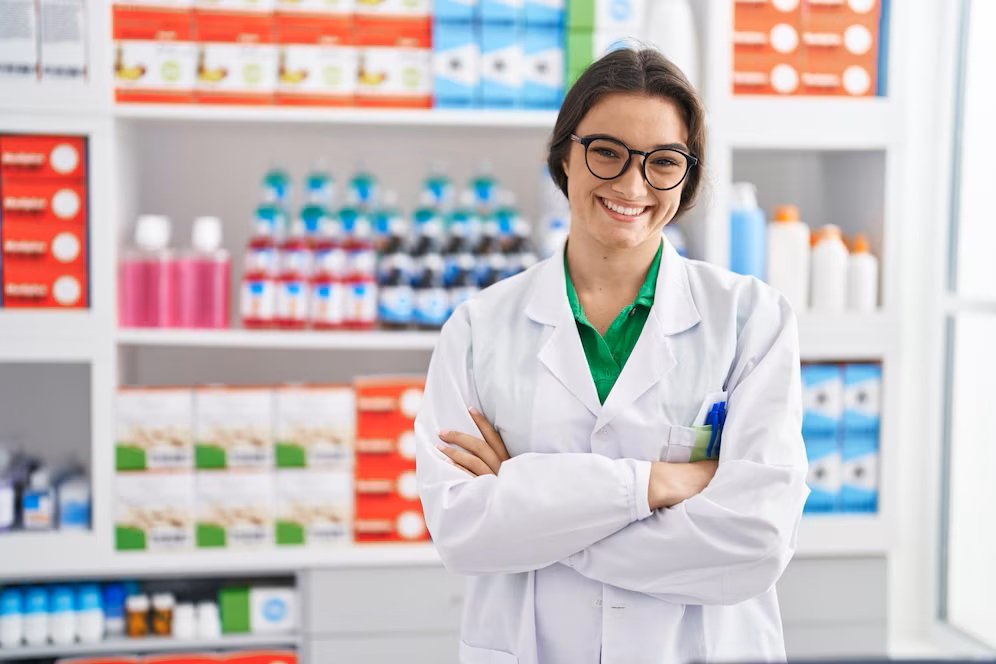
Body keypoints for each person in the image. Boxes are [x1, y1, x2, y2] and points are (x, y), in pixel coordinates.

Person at [415, 47, 810, 664]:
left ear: (688, 175)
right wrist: (658, 484)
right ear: (565, 157)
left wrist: (532, 509)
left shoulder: (751, 320)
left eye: (663, 162)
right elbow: (463, 533)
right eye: (607, 152)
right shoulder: (478, 329)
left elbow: (756, 541)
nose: (632, 184)